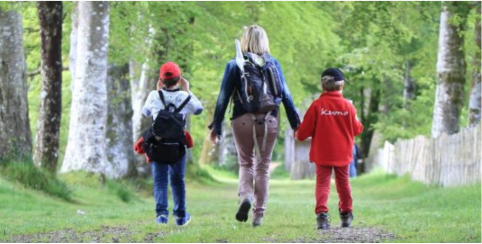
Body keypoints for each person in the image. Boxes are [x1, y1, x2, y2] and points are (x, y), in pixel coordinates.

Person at [208, 25, 300, 227]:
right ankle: (258, 215)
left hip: (242, 119)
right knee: (263, 166)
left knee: (246, 163)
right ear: (264, 41)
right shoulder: (273, 64)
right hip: (270, 119)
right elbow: (286, 95)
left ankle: (246, 197)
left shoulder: (234, 65)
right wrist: (296, 125)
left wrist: (217, 127)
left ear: (245, 40)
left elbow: (223, 98)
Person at [296, 68, 363, 230]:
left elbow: (302, 134)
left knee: (323, 184)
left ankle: (322, 216)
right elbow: (357, 129)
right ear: (341, 86)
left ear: (323, 86)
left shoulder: (317, 105)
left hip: (322, 152)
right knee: (343, 183)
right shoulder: (348, 106)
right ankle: (346, 214)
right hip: (343, 152)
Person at [142, 61, 203, 226]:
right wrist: (187, 90)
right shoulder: (185, 97)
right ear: (179, 79)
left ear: (161, 79)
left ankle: (161, 215)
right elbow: (199, 109)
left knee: (160, 181)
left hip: (158, 145)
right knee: (177, 181)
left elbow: (145, 112)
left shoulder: (154, 95)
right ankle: (181, 216)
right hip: (177, 146)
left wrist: (157, 90)